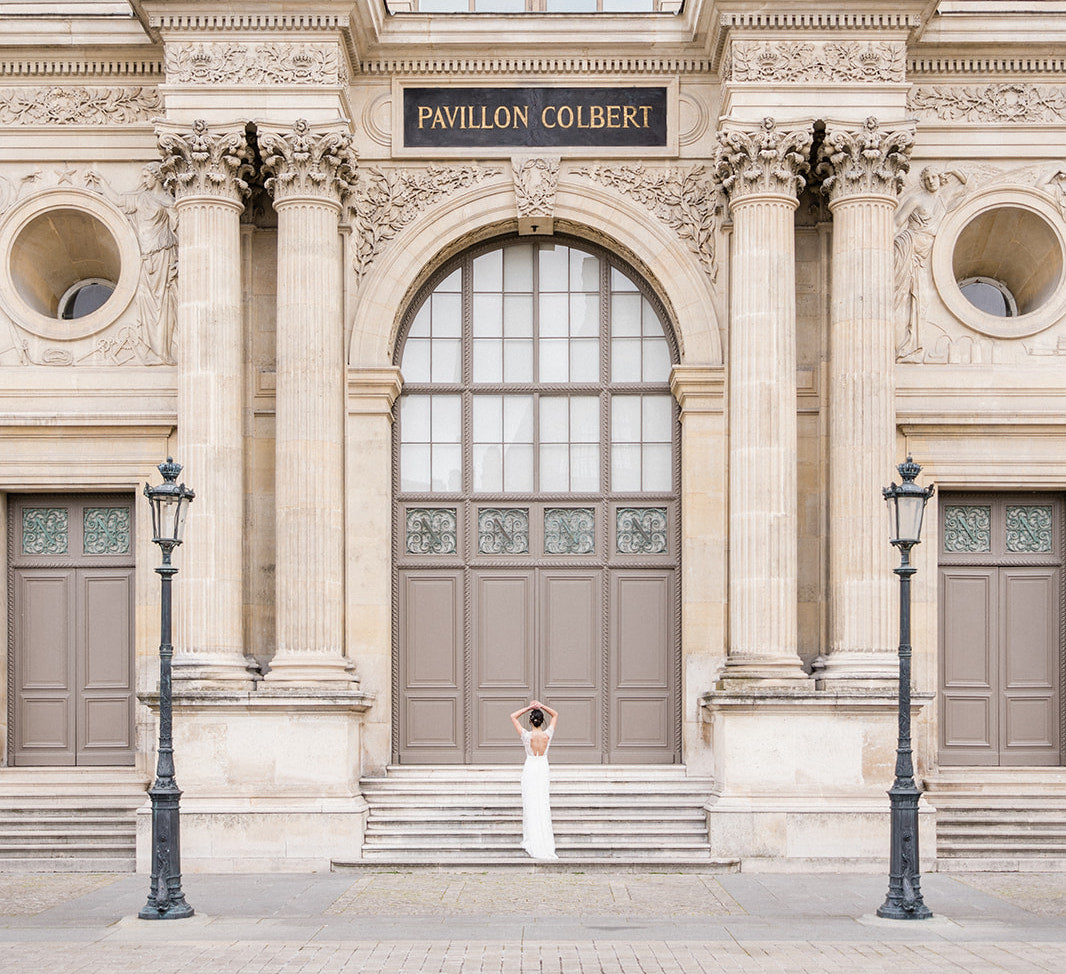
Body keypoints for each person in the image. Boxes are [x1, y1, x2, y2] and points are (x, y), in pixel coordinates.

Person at [510, 700, 559, 860]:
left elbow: (513, 716)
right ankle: (544, 841)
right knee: (542, 802)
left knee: (531, 802)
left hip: (530, 767)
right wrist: (541, 706)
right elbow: (556, 714)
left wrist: (529, 707)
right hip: (543, 766)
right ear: (541, 720)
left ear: (531, 720)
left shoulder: (526, 735)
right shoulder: (547, 734)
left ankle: (533, 838)